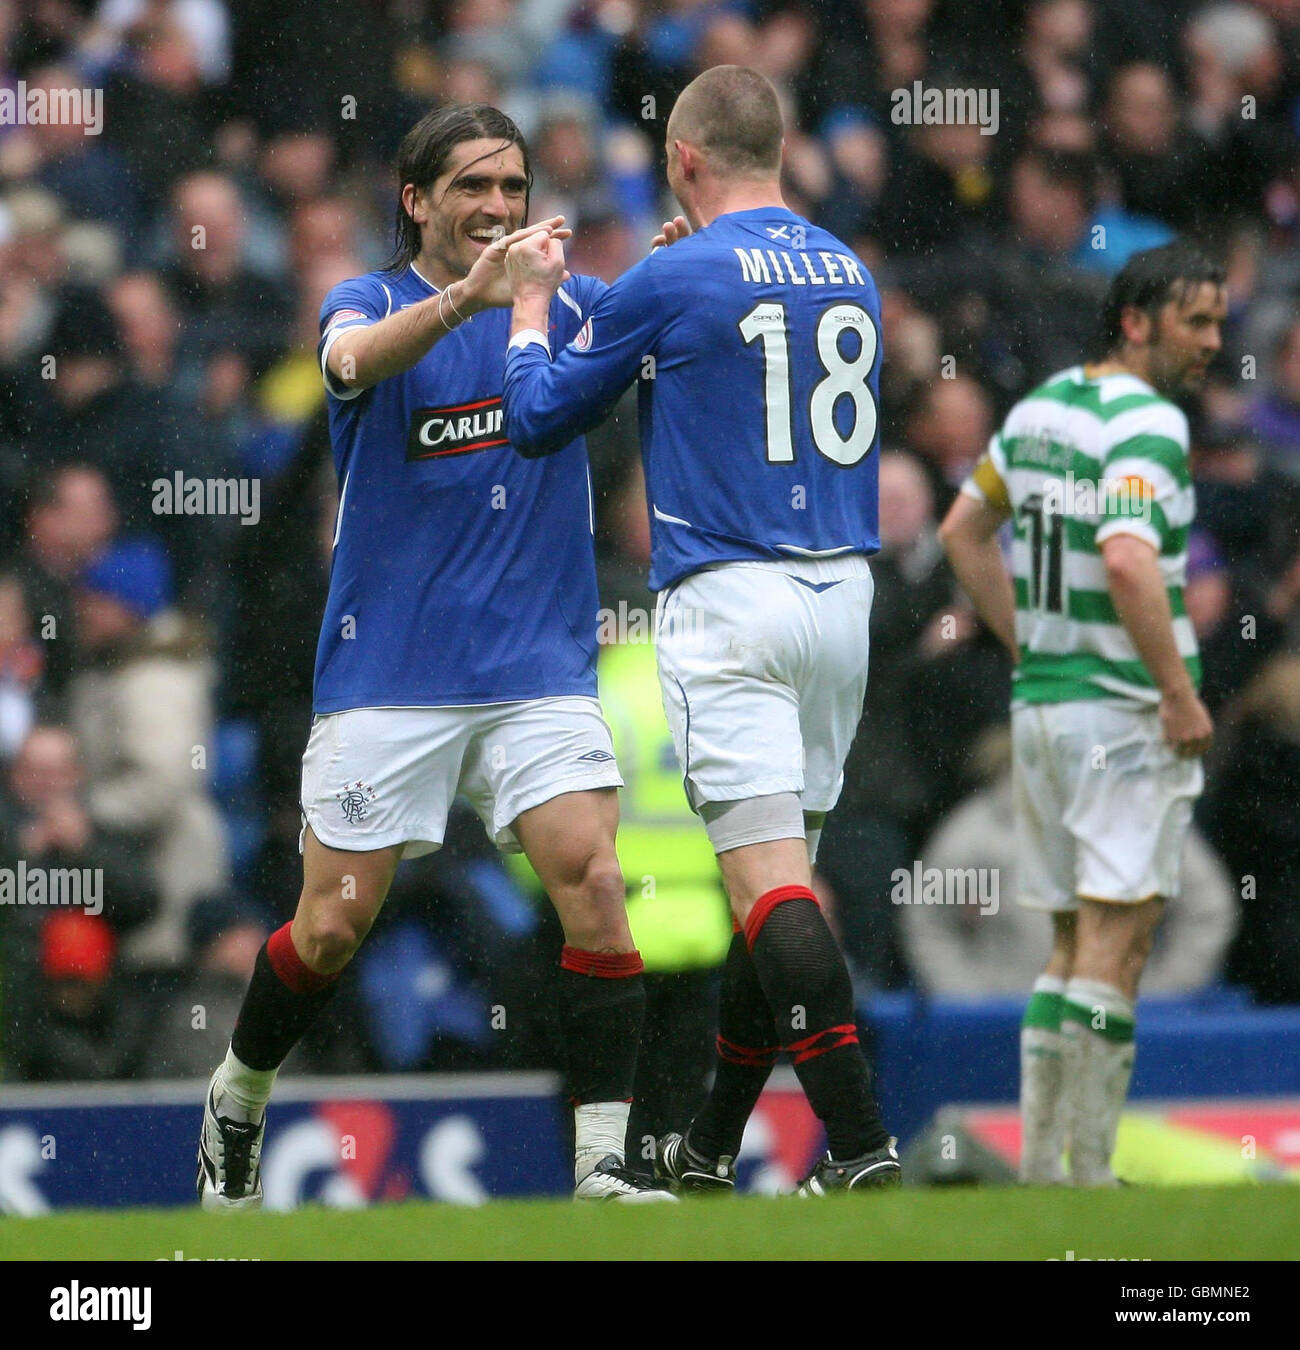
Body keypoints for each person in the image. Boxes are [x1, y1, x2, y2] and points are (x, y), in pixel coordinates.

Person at [196, 103, 675, 1208]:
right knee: (330, 928)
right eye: (473, 188)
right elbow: (349, 361)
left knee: (595, 882)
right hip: (390, 673)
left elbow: (654, 316)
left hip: (533, 670)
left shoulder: (567, 306)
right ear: (416, 201)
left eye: (512, 189)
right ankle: (239, 1088)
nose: (498, 210)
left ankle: (602, 1160)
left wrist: (672, 264)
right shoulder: (369, 301)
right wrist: (472, 298)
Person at [503, 65, 899, 1194]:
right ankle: (713, 1148)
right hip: (843, 596)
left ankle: (863, 1147)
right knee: (767, 889)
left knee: (770, 889)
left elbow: (537, 421)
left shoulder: (673, 274)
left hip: (730, 598)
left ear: (682, 159)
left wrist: (534, 310)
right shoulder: (848, 270)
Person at [937, 241, 1226, 1186]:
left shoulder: (1042, 410)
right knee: (1119, 932)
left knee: (1070, 939)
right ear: (1137, 321)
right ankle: (1088, 1175)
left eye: (1221, 321)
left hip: (1045, 709)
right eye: (1196, 321)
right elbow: (1133, 558)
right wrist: (1179, 695)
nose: (1214, 342)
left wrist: (1028, 640)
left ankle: (1049, 1174)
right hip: (1122, 712)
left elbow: (961, 531)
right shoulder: (1148, 424)